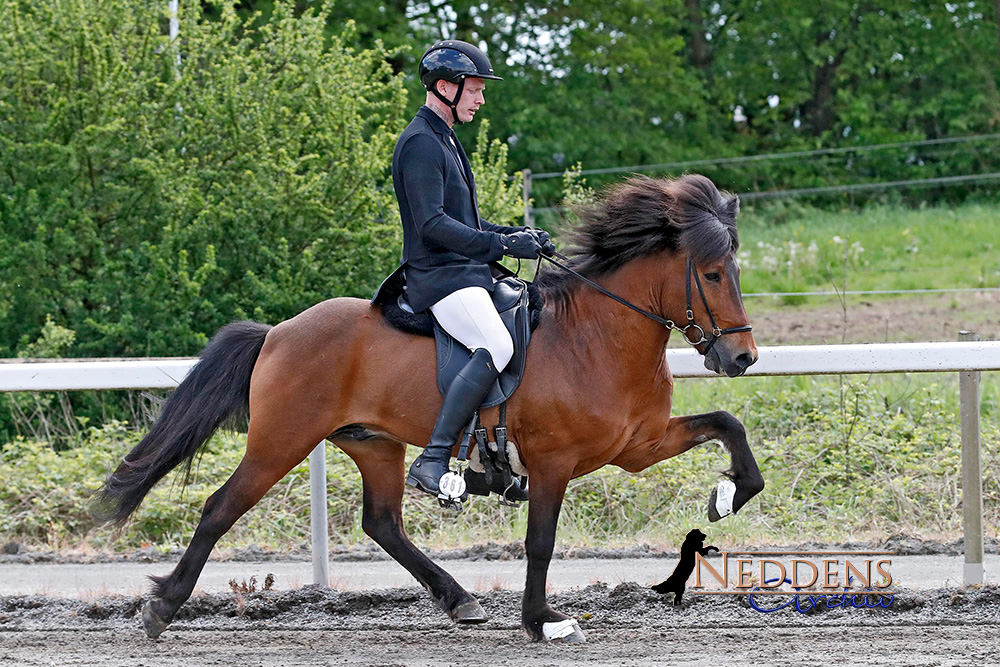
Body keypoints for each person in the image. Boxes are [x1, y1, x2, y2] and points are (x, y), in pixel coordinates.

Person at [391, 39, 553, 500]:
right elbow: (433, 224)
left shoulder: (445, 138)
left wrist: (518, 235)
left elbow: (467, 223)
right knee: (496, 342)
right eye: (476, 90)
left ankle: (496, 460)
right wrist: (501, 244)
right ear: (445, 87)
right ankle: (434, 458)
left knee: (528, 320)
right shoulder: (421, 142)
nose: (481, 100)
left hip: (466, 271)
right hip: (438, 277)